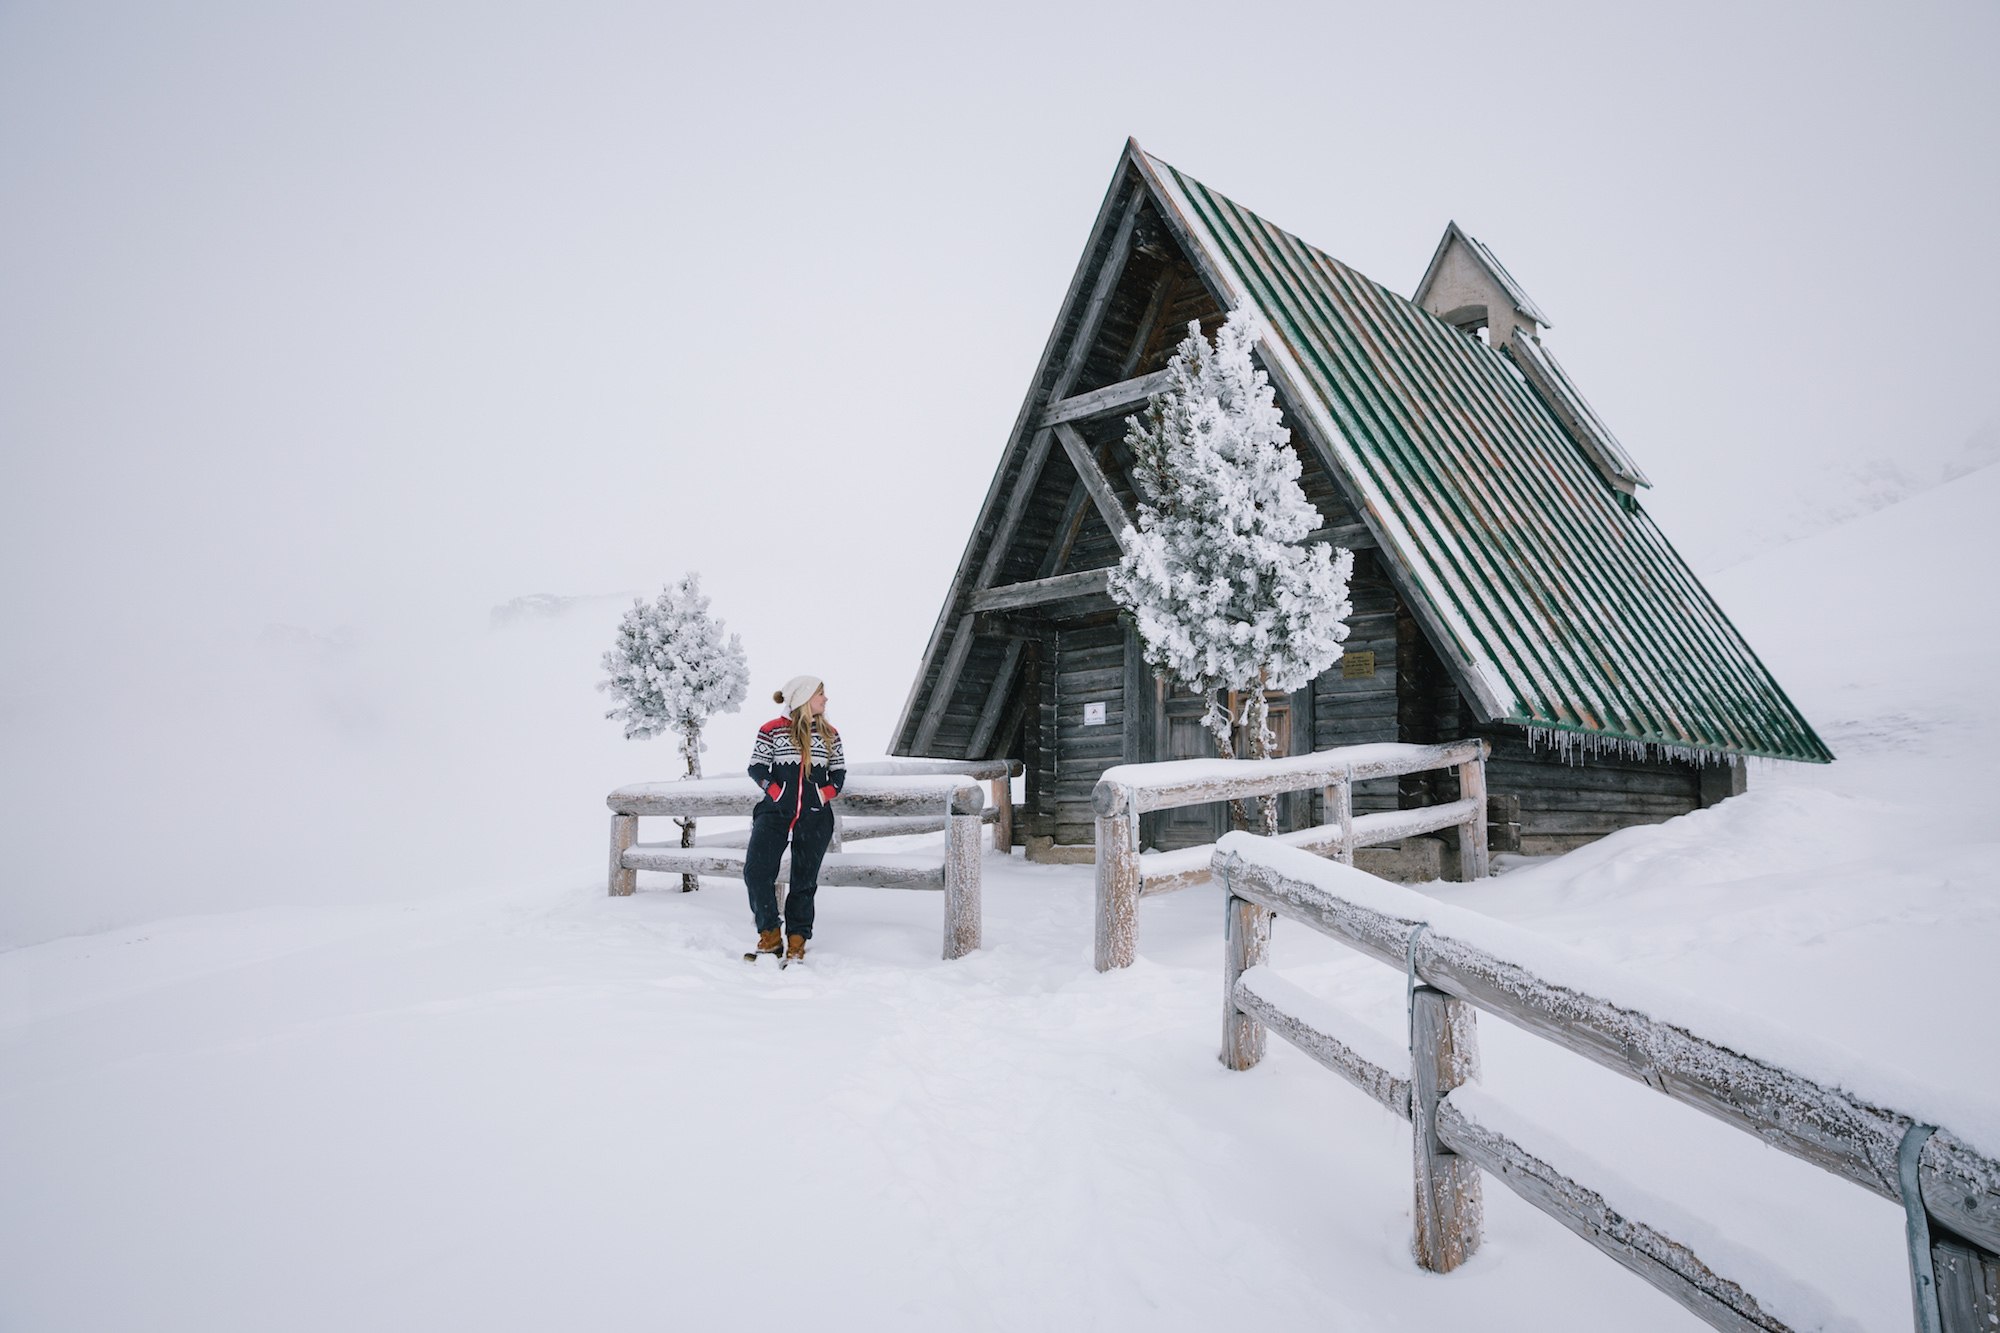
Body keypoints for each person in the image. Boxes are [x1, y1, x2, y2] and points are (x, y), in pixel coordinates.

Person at [744, 674, 845, 962]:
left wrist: (824, 794)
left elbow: (838, 774)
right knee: (756, 872)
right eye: (820, 694)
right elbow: (757, 768)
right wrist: (776, 792)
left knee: (804, 881)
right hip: (774, 815)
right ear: (803, 698)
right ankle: (770, 935)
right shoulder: (772, 730)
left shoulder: (830, 734)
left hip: (815, 818)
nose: (826, 699)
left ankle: (797, 940)